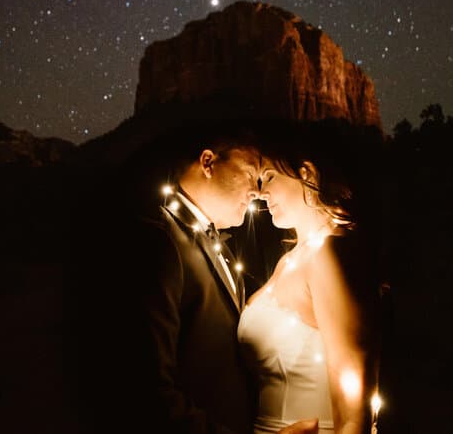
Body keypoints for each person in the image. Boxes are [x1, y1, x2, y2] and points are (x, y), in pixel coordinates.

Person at [112, 122, 320, 434]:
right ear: (208, 162)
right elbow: (148, 394)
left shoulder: (215, 245)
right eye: (252, 173)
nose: (259, 192)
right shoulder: (160, 241)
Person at [238, 130, 381, 434]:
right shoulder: (288, 260)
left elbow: (354, 401)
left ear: (307, 174)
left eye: (270, 176)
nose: (261, 191)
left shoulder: (328, 252)